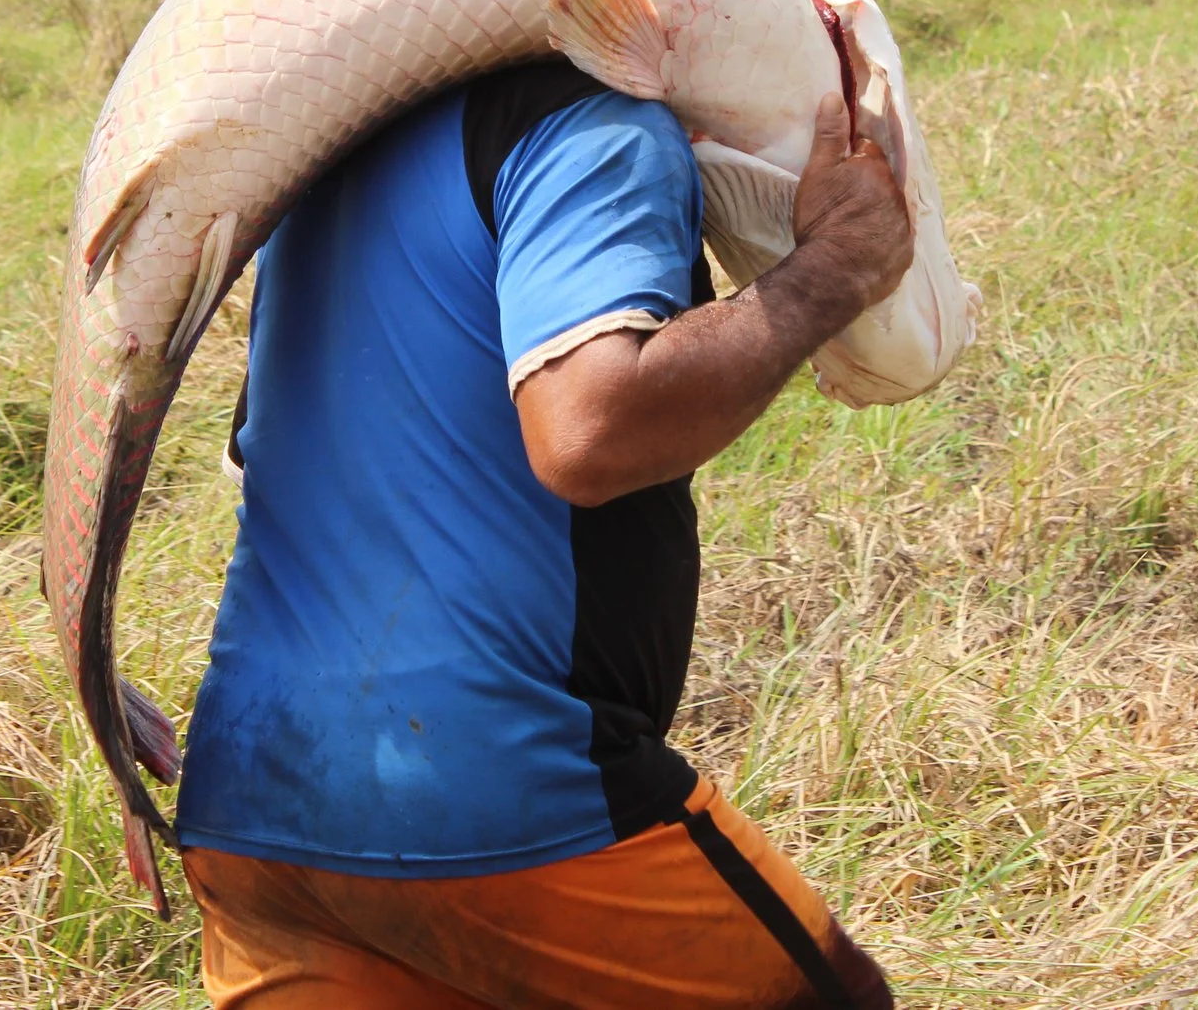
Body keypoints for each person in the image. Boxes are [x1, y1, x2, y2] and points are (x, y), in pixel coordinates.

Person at [174, 60, 914, 1009]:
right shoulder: (590, 120)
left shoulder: (327, 166)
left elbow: (260, 463)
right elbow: (590, 429)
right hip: (501, 791)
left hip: (248, 810)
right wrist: (837, 264)